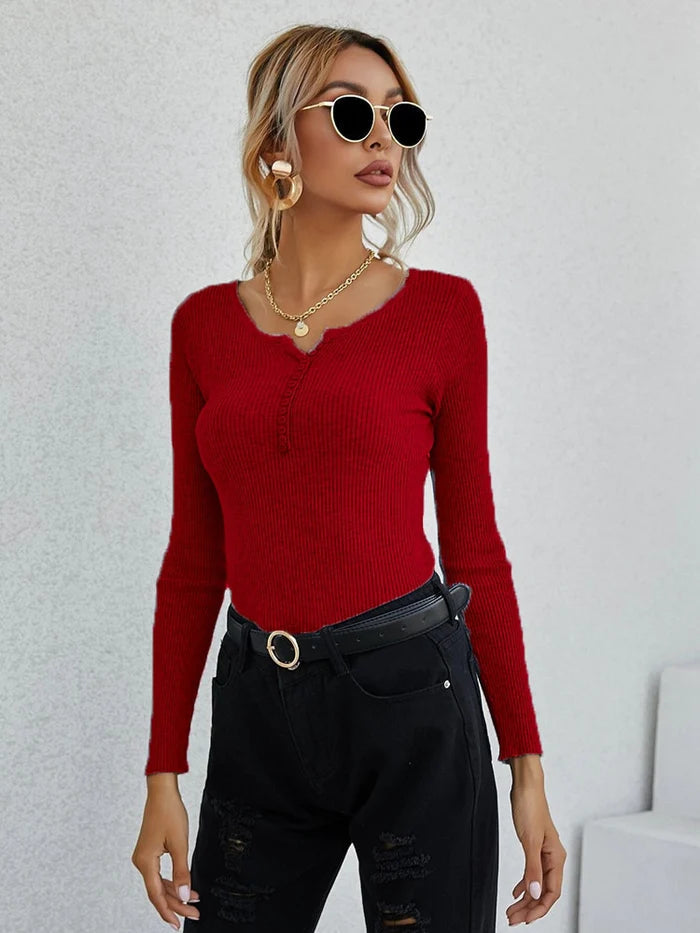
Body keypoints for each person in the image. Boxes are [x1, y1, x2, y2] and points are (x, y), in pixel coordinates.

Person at [131, 23, 566, 932]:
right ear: (278, 139)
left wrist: (524, 764)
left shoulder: (443, 312)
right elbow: (194, 560)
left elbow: (476, 550)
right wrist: (163, 769)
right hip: (256, 707)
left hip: (412, 700)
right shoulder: (202, 328)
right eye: (352, 112)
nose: (384, 139)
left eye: (400, 118)